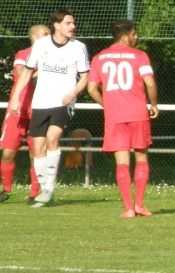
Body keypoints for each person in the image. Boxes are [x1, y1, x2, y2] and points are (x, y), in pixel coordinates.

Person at [8, 12, 90, 207]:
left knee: (53, 138)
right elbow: (27, 72)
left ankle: (49, 189)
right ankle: (45, 192)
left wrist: (73, 93)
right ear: (57, 25)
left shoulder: (78, 48)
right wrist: (16, 99)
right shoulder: (41, 45)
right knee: (38, 148)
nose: (72, 26)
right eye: (68, 23)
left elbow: (85, 77)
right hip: (40, 102)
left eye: (73, 23)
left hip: (63, 102)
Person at [87, 20, 160, 218]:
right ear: (125, 36)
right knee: (142, 156)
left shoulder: (99, 57)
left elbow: (91, 89)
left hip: (115, 116)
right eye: (134, 34)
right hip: (138, 114)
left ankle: (128, 208)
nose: (136, 38)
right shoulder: (139, 56)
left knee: (122, 162)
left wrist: (107, 105)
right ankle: (139, 205)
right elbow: (150, 84)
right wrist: (153, 105)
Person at [1, 25, 50, 204]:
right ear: (35, 38)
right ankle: (6, 190)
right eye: (46, 34)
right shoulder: (23, 54)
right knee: (8, 153)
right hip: (18, 110)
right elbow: (22, 73)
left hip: (39, 109)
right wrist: (44, 69)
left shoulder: (52, 57)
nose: (49, 36)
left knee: (36, 153)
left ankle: (34, 192)